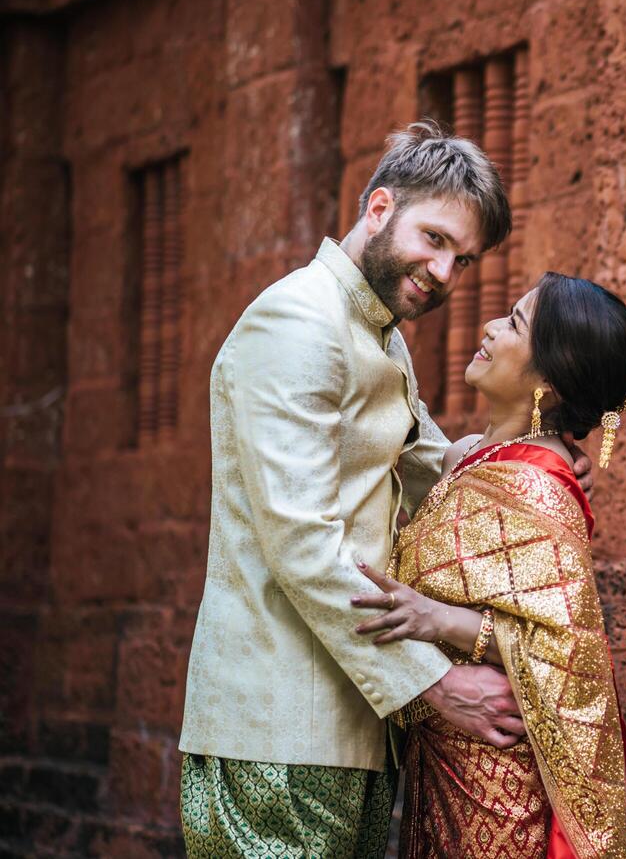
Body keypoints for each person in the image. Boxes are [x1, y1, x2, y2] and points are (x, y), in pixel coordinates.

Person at [178, 122, 592, 856]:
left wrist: (532, 455)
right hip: (278, 723)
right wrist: (435, 684)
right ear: (378, 208)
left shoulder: (378, 332)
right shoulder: (298, 322)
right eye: (433, 239)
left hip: (353, 717)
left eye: (461, 259)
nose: (443, 272)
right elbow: (303, 545)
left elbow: (430, 459)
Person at [347, 273, 626, 858]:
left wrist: (437, 619)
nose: (488, 326)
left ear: (550, 379)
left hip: (501, 783)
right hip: (443, 763)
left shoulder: (537, 489)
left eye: (514, 323)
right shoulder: (474, 458)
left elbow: (565, 651)